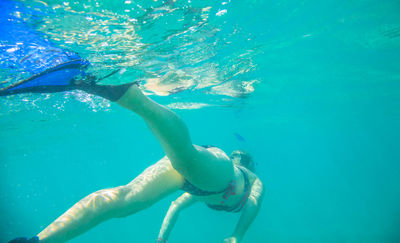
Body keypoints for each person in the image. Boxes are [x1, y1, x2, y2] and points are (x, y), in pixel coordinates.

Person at [4, 70, 264, 243]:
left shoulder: (241, 176)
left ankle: (38, 240)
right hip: (215, 173)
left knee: (125, 201)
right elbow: (253, 203)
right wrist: (237, 235)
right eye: (237, 156)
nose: (239, 158)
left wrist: (161, 239)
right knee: (186, 158)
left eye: (242, 157)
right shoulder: (247, 176)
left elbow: (176, 206)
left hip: (189, 181)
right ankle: (132, 96)